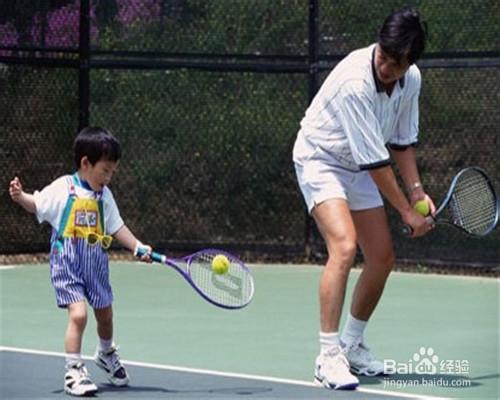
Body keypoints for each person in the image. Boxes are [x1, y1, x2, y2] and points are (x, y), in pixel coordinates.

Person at [293, 8, 435, 390]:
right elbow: (376, 162)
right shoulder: (355, 82)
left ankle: (352, 344)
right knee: (343, 246)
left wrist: (417, 192)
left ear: (411, 63)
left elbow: (402, 142)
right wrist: (407, 211)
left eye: (397, 62)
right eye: (384, 55)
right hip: (320, 159)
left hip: (358, 167)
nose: (387, 65)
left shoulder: (411, 80)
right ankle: (327, 357)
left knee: (383, 256)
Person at [9, 127, 152, 397]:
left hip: (96, 263)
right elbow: (37, 204)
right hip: (67, 264)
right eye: (105, 171)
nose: (108, 178)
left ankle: (105, 352)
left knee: (105, 314)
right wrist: (21, 197)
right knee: (79, 314)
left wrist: (137, 247)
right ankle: (73, 370)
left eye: (112, 172)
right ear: (86, 163)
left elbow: (117, 227)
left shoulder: (104, 197)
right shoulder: (64, 188)